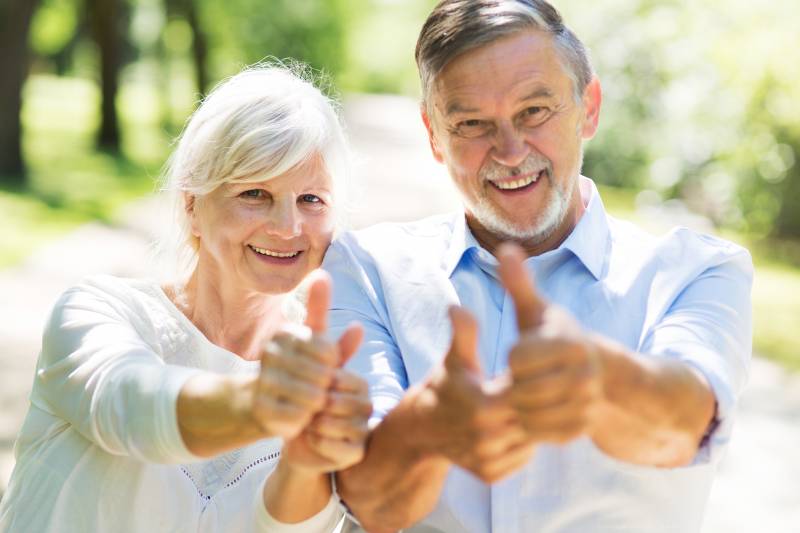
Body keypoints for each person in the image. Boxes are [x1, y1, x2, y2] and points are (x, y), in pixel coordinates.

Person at [324, 1, 753, 532]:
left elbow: (681, 427)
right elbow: (365, 498)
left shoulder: (696, 270)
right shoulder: (367, 268)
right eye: (472, 123)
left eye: (534, 112)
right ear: (434, 135)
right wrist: (427, 427)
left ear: (589, 106)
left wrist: (598, 379)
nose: (508, 150)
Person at [0, 63, 372, 532]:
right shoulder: (97, 312)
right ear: (192, 205)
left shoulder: (328, 368)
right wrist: (262, 404)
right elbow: (131, 410)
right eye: (255, 193)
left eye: (311, 200)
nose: (288, 227)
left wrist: (306, 454)